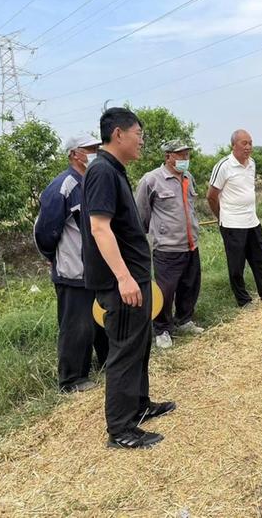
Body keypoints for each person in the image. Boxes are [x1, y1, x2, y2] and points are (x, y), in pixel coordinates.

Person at [81, 107, 175, 449]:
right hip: (121, 283)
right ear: (118, 133)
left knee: (139, 343)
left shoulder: (114, 170)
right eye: (138, 134)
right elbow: (99, 227)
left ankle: (138, 405)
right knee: (123, 350)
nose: (141, 141)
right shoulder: (102, 172)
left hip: (135, 277)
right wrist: (123, 277)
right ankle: (120, 429)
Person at [34, 133, 108, 393]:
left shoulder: (92, 181)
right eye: (89, 149)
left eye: (97, 148)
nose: (95, 153)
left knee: (100, 319)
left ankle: (106, 362)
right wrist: (54, 257)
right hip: (72, 270)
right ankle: (72, 379)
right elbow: (45, 231)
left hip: (97, 269)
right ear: (74, 154)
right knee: (76, 325)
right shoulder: (62, 186)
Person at [206, 129, 262, 308]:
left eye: (250, 143)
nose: (248, 147)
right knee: (237, 265)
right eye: (244, 143)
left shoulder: (252, 164)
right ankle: (243, 300)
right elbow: (211, 196)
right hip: (232, 223)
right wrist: (222, 216)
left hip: (252, 220)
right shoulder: (224, 165)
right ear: (233, 145)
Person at [135, 139, 204, 350]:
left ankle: (184, 320)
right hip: (167, 247)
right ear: (168, 157)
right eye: (181, 155)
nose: (185, 159)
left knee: (190, 285)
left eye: (187, 155)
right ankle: (162, 329)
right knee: (165, 291)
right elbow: (141, 214)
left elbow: (189, 208)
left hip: (190, 244)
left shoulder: (187, 177)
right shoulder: (151, 180)